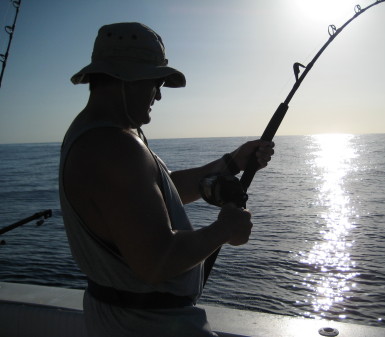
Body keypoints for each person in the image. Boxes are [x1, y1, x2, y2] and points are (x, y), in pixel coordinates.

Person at [59, 22, 274, 337]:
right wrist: (224, 229)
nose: (158, 95)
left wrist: (231, 163)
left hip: (129, 318)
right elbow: (157, 262)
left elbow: (157, 193)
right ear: (125, 79)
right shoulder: (112, 147)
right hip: (147, 325)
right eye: (153, 82)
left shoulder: (105, 132)